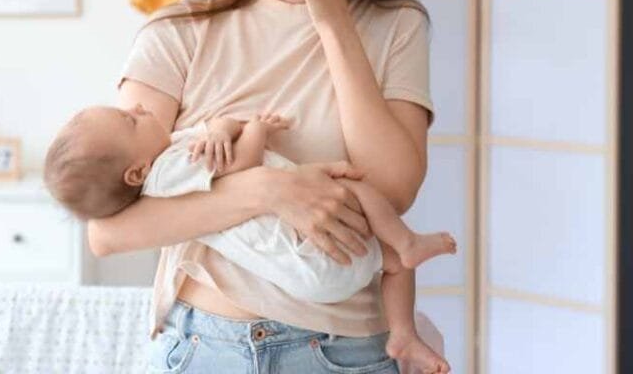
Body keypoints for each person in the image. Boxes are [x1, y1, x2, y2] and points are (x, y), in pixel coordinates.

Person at [88, 0, 443, 374]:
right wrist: (270, 191)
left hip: (343, 352)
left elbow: (393, 190)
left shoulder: (395, 27)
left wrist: (332, 21)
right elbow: (111, 229)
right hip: (205, 348)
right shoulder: (180, 29)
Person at [45, 105, 455, 371]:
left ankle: (403, 334)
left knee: (386, 259)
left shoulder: (169, 155)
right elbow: (243, 162)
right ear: (136, 173)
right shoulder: (167, 172)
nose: (136, 108)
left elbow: (213, 131)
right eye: (129, 121)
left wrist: (221, 128)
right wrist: (256, 129)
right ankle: (406, 245)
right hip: (310, 257)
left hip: (316, 271)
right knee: (359, 196)